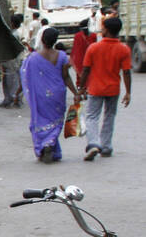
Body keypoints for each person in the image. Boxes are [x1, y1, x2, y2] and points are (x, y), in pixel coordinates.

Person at [21, 27, 80, 163]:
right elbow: (66, 77)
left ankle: (45, 145)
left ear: (42, 39)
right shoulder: (62, 56)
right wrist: (76, 93)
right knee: (56, 122)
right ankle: (50, 144)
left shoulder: (33, 58)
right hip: (57, 94)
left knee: (41, 121)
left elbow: (26, 77)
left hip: (40, 95)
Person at [79, 14, 132, 160]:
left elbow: (86, 70)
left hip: (95, 88)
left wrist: (81, 87)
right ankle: (106, 146)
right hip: (113, 89)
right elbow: (126, 72)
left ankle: (94, 143)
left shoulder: (93, 48)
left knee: (91, 116)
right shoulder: (124, 49)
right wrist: (128, 92)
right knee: (109, 116)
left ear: (107, 30)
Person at [0, 11, 25, 108]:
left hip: (12, 61)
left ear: (13, 24)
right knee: (8, 80)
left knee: (12, 81)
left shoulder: (14, 34)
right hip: (10, 61)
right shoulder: (13, 33)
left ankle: (15, 99)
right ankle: (8, 99)